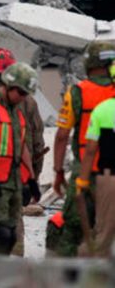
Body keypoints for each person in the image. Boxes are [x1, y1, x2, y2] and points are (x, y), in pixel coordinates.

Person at [52, 41, 115, 257]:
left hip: (85, 173)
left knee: (73, 228)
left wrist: (58, 171)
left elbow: (61, 136)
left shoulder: (77, 93)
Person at [0, 48, 45, 255]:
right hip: (7, 176)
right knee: (9, 228)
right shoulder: (26, 101)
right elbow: (36, 144)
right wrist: (33, 176)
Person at [73, 60, 115, 257]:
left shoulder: (102, 110)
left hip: (109, 180)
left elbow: (90, 150)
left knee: (104, 233)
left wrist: (82, 180)